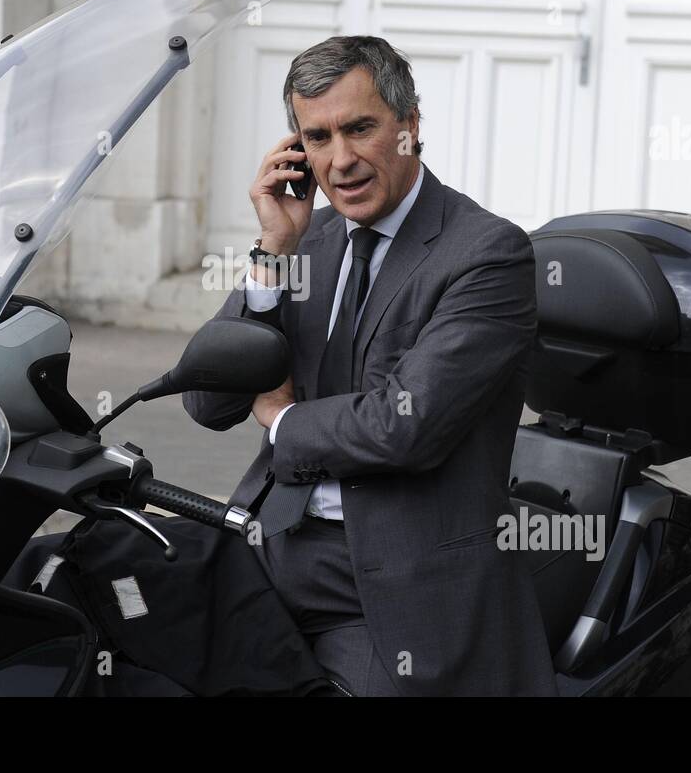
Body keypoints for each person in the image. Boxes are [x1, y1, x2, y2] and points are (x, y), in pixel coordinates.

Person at [182, 35, 557, 696]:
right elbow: (208, 402)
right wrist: (273, 251)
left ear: (410, 128)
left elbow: (402, 427)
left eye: (361, 129)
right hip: (269, 549)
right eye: (318, 137)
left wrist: (280, 418)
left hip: (393, 584)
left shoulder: (486, 254)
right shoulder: (308, 240)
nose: (342, 160)